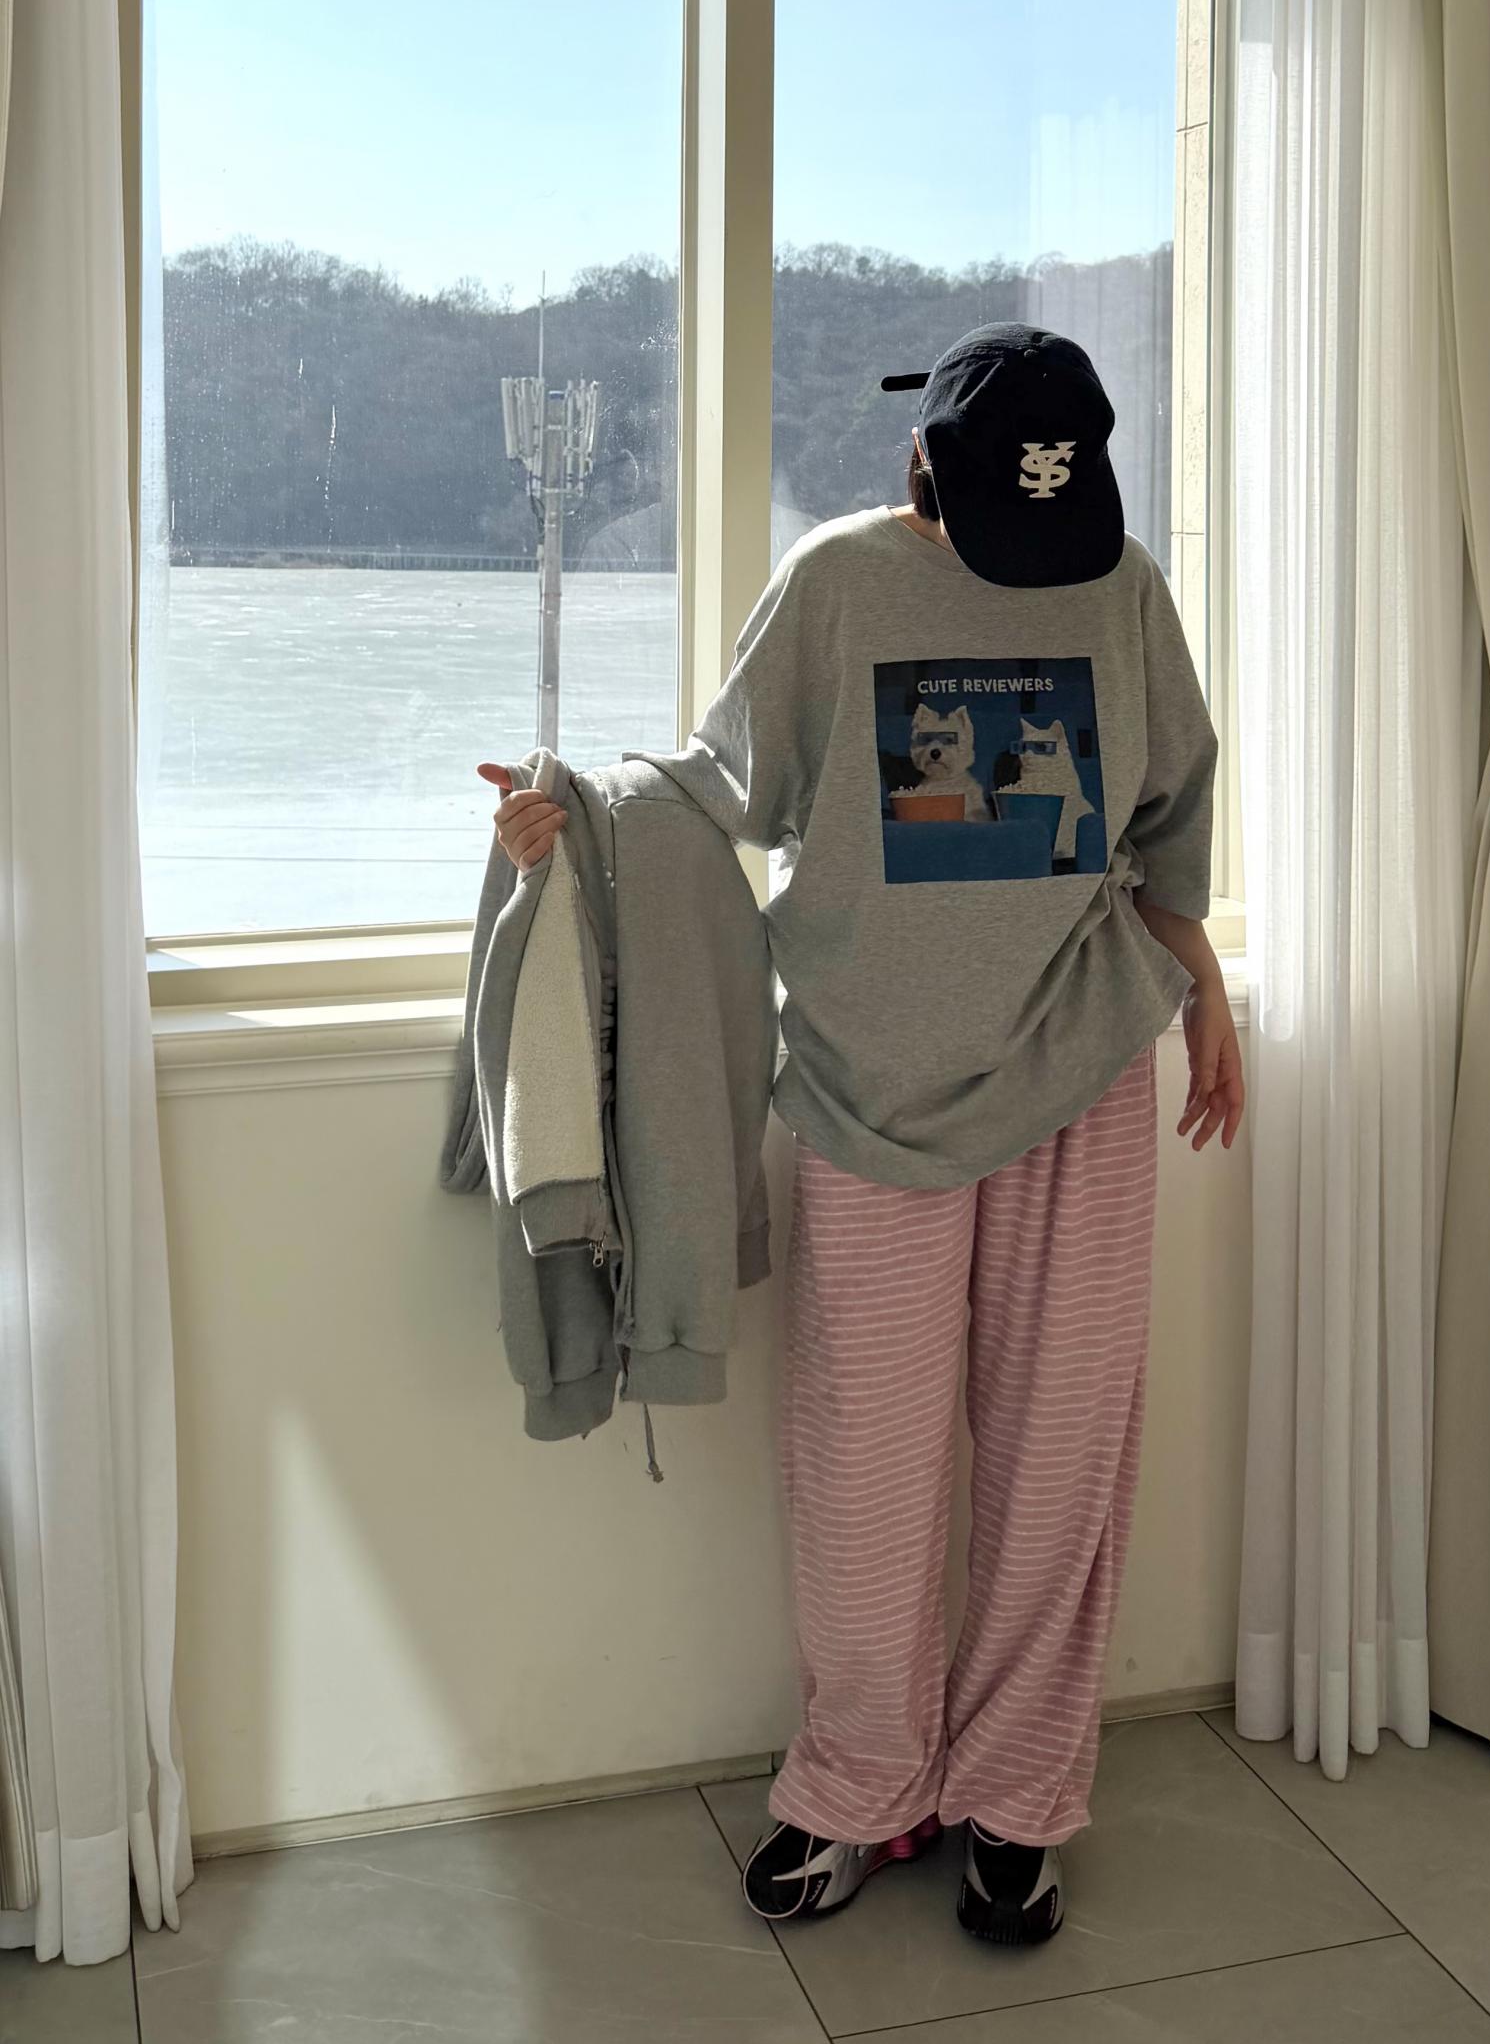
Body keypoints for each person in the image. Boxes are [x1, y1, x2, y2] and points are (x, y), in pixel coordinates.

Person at [482, 325, 1241, 1947]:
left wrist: (1209, 992)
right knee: (865, 1474)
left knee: (1059, 1461)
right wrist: (569, 815)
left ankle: (1019, 1802)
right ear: (928, 469)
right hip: (866, 1089)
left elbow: (1171, 807)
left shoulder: (1120, 586)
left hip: (1082, 1066)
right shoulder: (837, 584)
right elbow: (717, 788)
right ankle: (857, 1788)